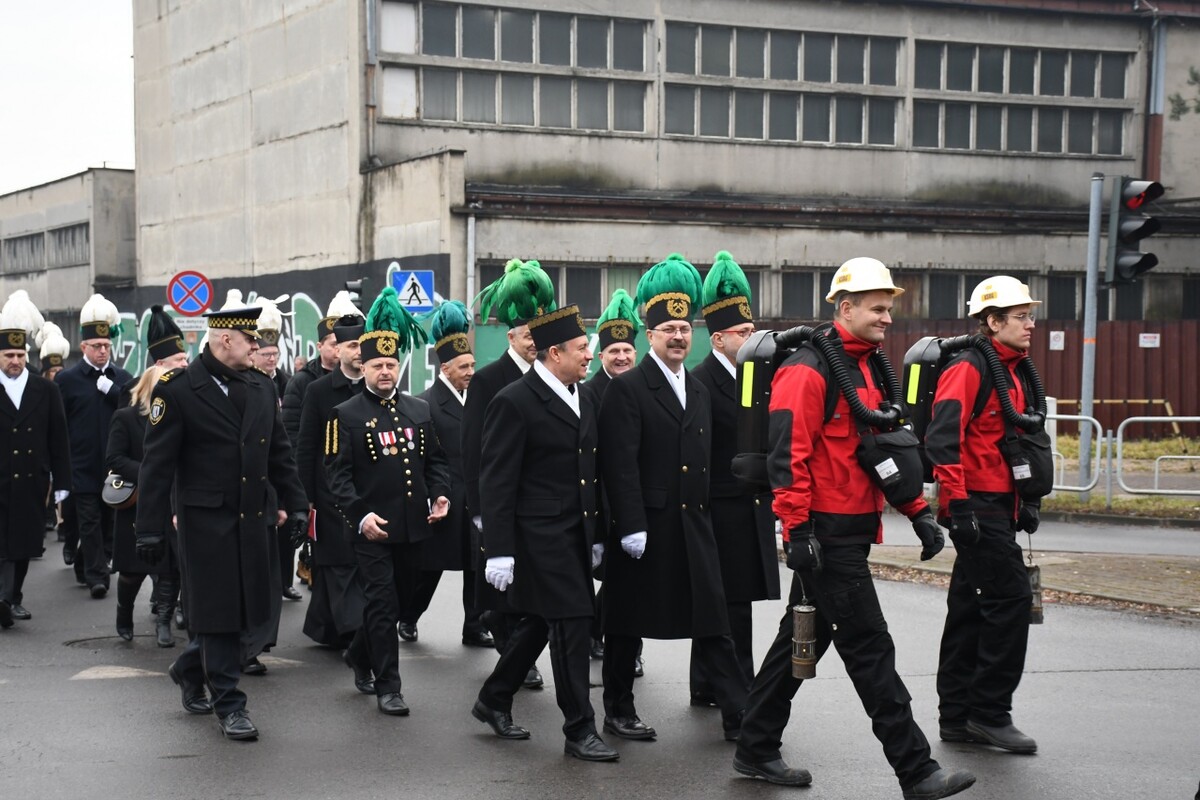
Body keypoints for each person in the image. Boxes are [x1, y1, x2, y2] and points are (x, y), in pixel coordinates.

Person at [732, 257, 973, 800]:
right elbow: (788, 456)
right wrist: (796, 532)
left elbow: (879, 449)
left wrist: (918, 512)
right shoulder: (808, 369)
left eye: (889, 308)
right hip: (825, 537)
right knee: (870, 648)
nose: (888, 317)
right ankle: (917, 770)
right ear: (845, 307)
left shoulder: (866, 367)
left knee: (801, 640)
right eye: (878, 308)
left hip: (850, 531)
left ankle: (755, 745)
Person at [135, 305, 308, 741]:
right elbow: (156, 466)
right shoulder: (177, 390)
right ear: (225, 339)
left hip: (253, 519)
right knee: (218, 613)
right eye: (251, 340)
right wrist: (149, 529)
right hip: (205, 524)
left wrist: (297, 505)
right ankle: (230, 704)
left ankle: (189, 668)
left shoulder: (261, 387)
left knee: (247, 613)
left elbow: (279, 454)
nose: (257, 347)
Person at [598, 253, 748, 743]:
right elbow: (619, 464)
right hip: (648, 524)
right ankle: (618, 710)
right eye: (668, 330)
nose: (679, 337)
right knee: (626, 623)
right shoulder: (629, 389)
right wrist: (629, 524)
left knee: (714, 620)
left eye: (685, 328)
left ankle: (739, 717)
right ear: (650, 336)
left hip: (693, 523)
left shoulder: (698, 389)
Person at [473, 303, 619, 762]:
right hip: (537, 537)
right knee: (573, 623)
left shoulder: (585, 397)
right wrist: (499, 550)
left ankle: (494, 697)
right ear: (554, 353)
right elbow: (496, 480)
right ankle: (580, 728)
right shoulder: (514, 401)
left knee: (540, 621)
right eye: (582, 348)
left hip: (576, 533)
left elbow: (592, 472)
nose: (590, 355)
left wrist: (598, 533)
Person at [926, 276, 1046, 755]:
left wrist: (1028, 499)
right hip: (977, 507)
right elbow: (943, 439)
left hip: (999, 505)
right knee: (1011, 600)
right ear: (993, 321)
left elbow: (1017, 439)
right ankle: (990, 714)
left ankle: (957, 716)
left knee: (971, 609)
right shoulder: (969, 367)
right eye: (1021, 317)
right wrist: (957, 506)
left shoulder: (1014, 369)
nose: (1030, 324)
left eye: (1030, 315)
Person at [326, 287, 451, 716]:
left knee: (395, 603)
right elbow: (337, 475)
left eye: (391, 364)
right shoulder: (346, 414)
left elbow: (435, 462)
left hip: (413, 527)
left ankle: (359, 655)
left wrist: (440, 495)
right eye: (377, 365)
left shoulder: (418, 410)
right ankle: (389, 687)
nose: (385, 371)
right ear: (363, 368)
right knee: (381, 604)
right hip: (372, 529)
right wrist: (359, 516)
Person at [691, 251, 780, 703]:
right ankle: (737, 694)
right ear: (718, 338)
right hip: (720, 508)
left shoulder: (754, 375)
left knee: (734, 601)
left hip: (751, 505)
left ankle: (707, 685)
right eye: (743, 332)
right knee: (727, 605)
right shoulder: (701, 382)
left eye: (752, 330)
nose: (751, 337)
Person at [463, 258, 556, 689]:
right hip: (500, 498)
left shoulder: (552, 375)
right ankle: (512, 652)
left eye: (540, 334)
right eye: (527, 335)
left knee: (531, 585)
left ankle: (517, 647)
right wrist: (478, 508)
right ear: (511, 336)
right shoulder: (487, 380)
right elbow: (473, 449)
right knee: (502, 586)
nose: (535, 342)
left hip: (538, 501)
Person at [402, 300, 492, 647]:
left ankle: (474, 625)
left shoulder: (480, 399)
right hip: (444, 498)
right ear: (445, 368)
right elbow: (421, 460)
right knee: (431, 568)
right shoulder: (425, 403)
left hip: (476, 497)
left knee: (476, 565)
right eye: (464, 366)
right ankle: (408, 616)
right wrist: (430, 496)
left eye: (472, 365)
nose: (471, 372)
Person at [295, 313, 372, 692]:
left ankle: (324, 627)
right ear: (337, 349)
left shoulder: (376, 386)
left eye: (362, 345)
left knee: (344, 568)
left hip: (368, 494)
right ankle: (357, 638)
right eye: (352, 345)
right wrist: (305, 498)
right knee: (340, 564)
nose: (359, 352)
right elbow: (306, 447)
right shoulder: (318, 390)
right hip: (328, 496)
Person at [55, 293, 133, 598]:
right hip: (82, 465)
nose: (102, 351)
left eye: (106, 346)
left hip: (114, 466)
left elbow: (134, 412)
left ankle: (85, 560)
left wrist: (114, 391)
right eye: (96, 346)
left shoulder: (122, 378)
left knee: (108, 524)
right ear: (84, 347)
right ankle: (97, 577)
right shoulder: (68, 380)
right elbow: (59, 424)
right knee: (89, 521)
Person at [0, 303, 71, 628]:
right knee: (3, 543)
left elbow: (58, 438)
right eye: (8, 355)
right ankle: (5, 599)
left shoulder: (46, 389)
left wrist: (63, 482)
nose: (15, 361)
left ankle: (13, 598)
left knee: (24, 541)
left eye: (19, 355)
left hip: (31, 480)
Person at [582, 288, 642, 665]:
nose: (621, 357)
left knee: (631, 581)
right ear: (601, 355)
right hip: (600, 501)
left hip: (635, 499)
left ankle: (627, 647)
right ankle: (596, 633)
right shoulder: (588, 394)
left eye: (627, 350)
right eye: (614, 351)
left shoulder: (642, 389)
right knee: (611, 578)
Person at [107, 365, 181, 646]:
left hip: (170, 501)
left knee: (170, 567)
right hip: (137, 503)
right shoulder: (125, 417)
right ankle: (123, 614)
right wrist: (150, 473)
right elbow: (114, 458)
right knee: (132, 570)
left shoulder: (177, 418)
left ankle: (163, 622)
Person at [252, 294, 301, 601]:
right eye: (266, 354)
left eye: (275, 354)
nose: (271, 359)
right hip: (259, 465)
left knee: (287, 529)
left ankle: (285, 580)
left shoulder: (287, 382)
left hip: (283, 460)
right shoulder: (250, 383)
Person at [283, 290, 359, 444]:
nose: (339, 349)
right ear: (319, 346)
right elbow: (291, 429)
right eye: (334, 344)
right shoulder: (302, 382)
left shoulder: (359, 377)